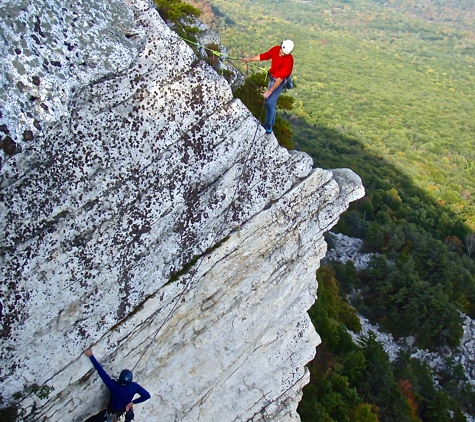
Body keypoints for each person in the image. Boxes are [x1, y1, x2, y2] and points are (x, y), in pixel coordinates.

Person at [242, 39, 294, 134]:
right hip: (272, 77)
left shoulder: (289, 61)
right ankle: (270, 122)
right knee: (268, 101)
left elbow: (280, 79)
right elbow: (264, 56)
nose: (282, 54)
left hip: (280, 81)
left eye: (285, 54)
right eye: (282, 51)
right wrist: (249, 59)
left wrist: (270, 90)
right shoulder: (275, 49)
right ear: (281, 45)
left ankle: (269, 125)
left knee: (270, 102)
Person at [84, 347, 151, 422]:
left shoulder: (114, 386)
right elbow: (147, 396)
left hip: (109, 412)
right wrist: (132, 402)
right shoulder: (134, 386)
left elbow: (101, 372)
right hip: (118, 413)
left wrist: (91, 356)